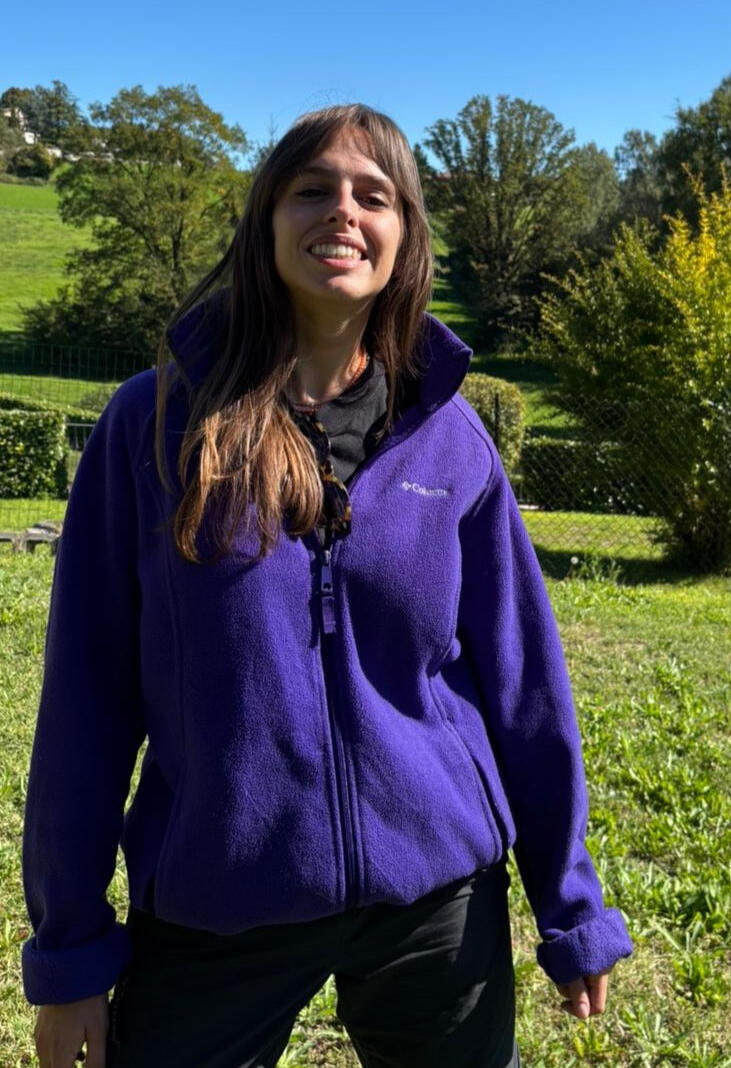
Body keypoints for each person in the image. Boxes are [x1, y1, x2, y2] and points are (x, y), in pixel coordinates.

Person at [21, 103, 632, 1068]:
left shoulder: (451, 439)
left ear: (405, 237)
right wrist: (70, 955)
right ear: (267, 222)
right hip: (219, 898)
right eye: (312, 190)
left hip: (437, 896)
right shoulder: (154, 426)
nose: (342, 211)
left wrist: (570, 904)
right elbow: (85, 702)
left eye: (372, 195)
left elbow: (524, 684)